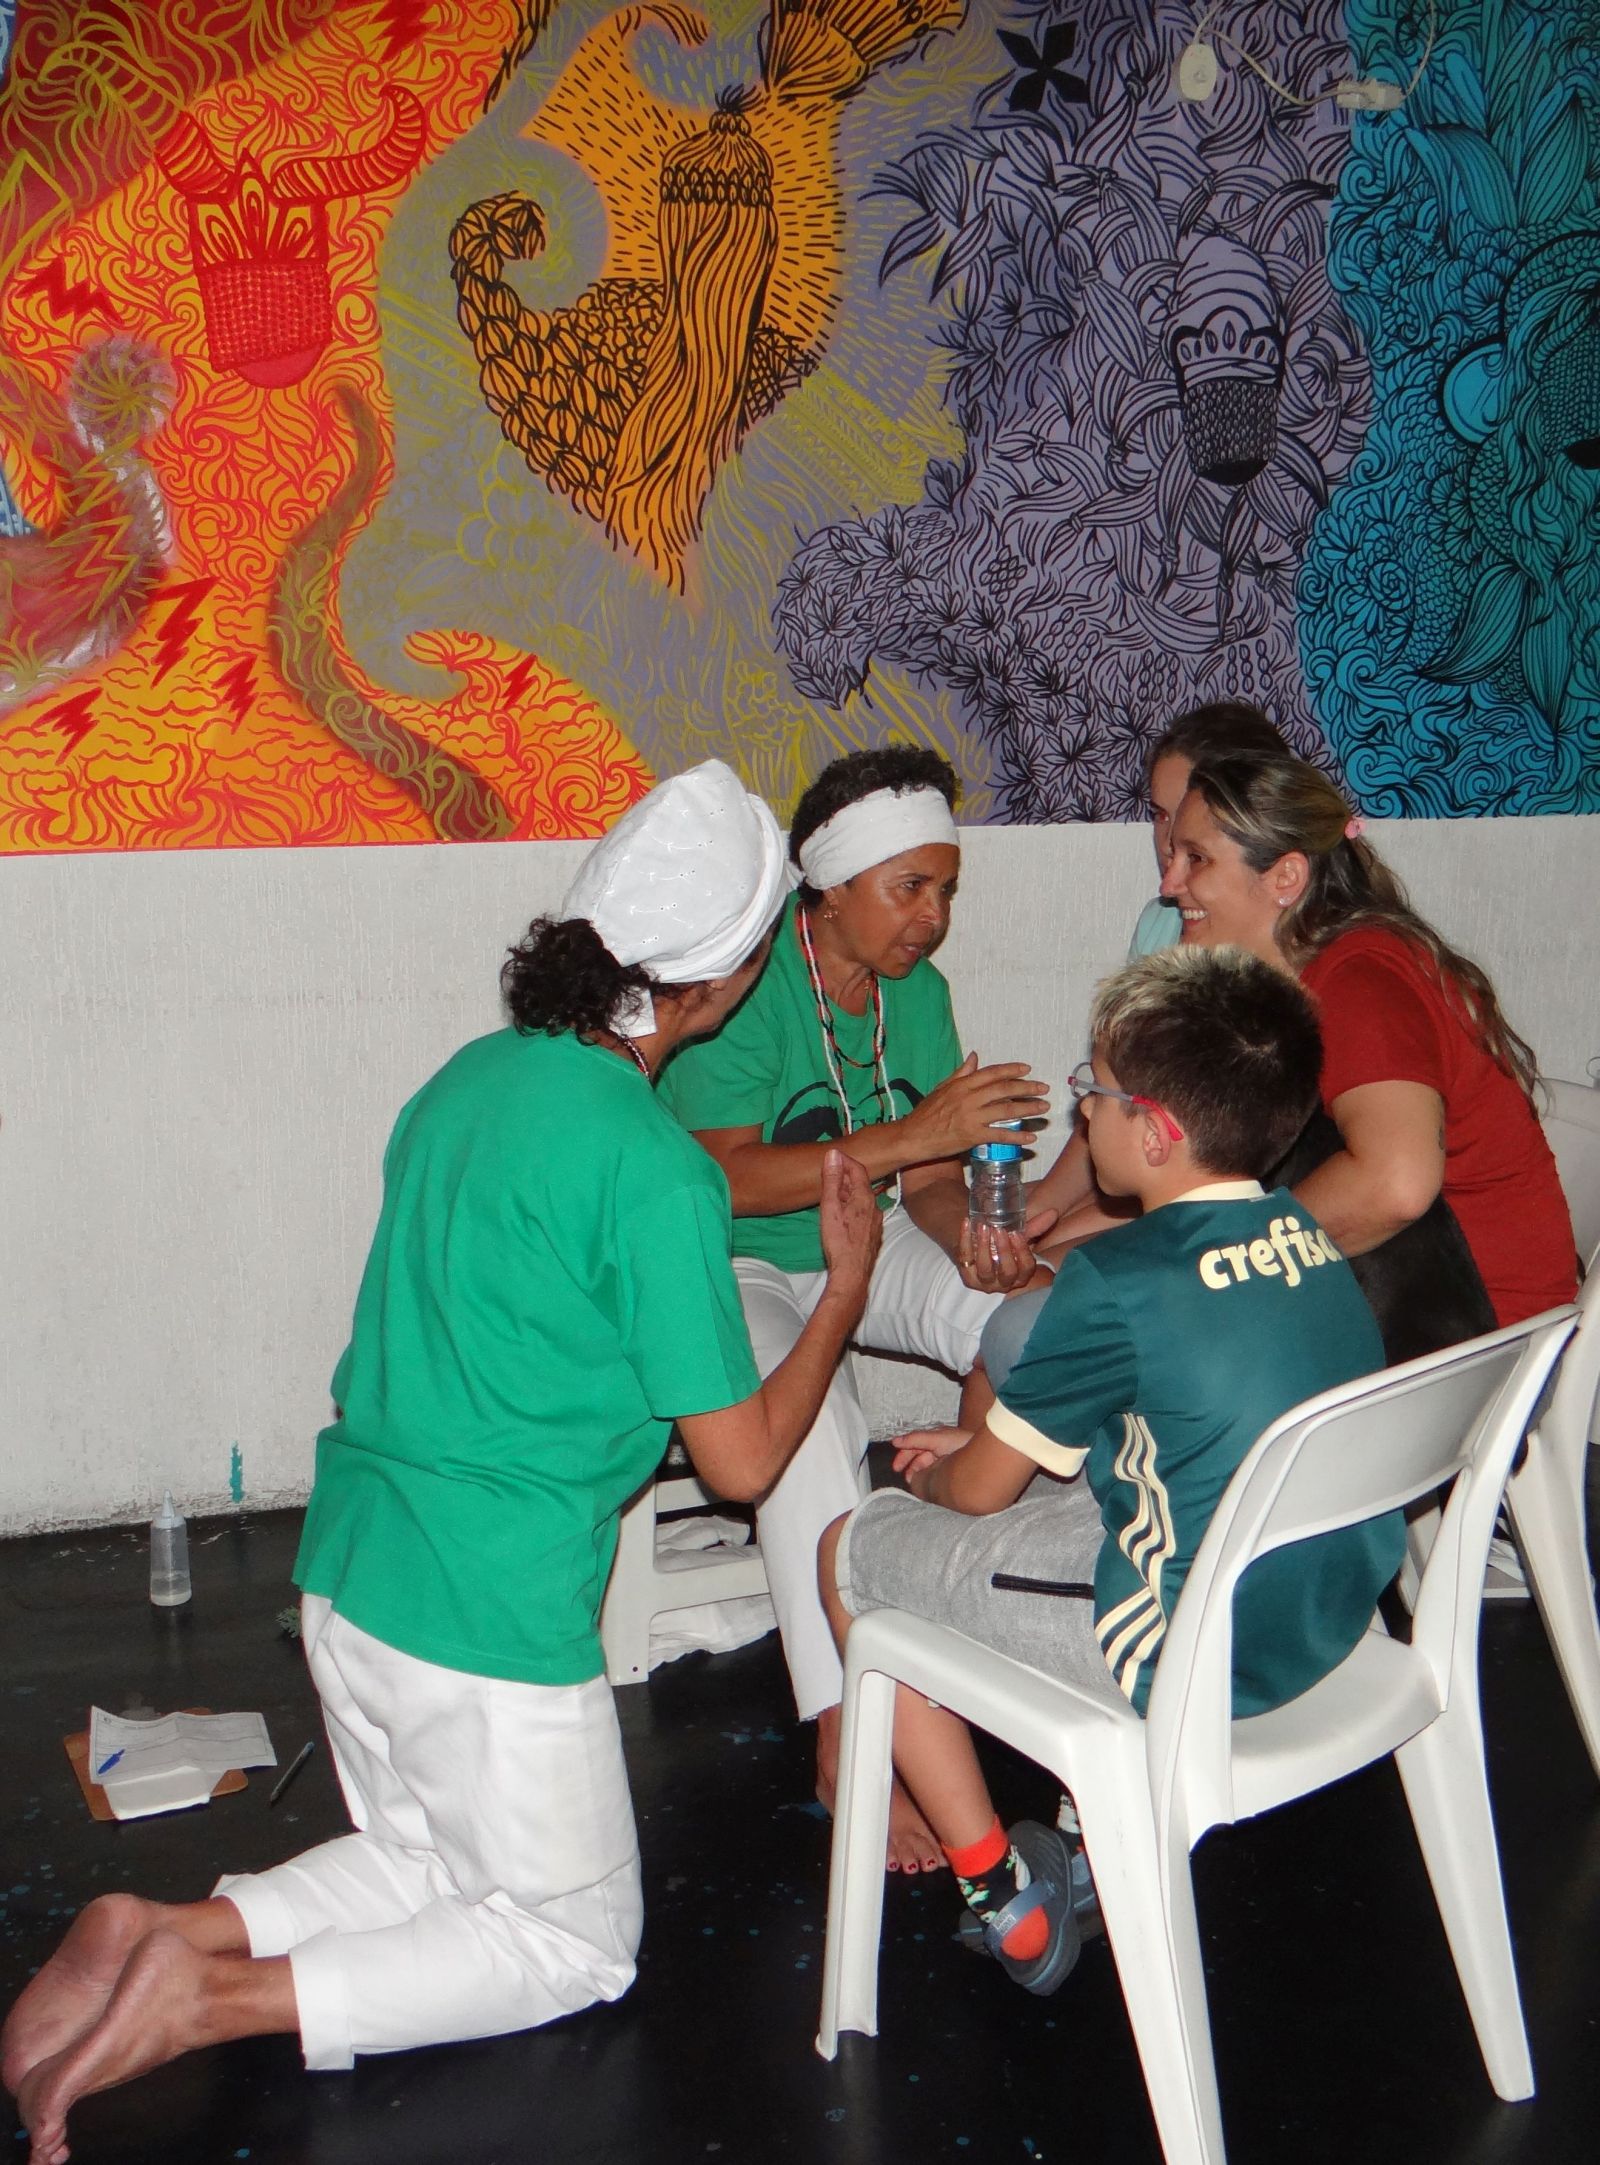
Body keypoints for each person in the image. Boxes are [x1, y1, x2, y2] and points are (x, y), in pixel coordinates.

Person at [3, 762, 883, 2165]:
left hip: (351, 1583)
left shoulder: (463, 1082)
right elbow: (744, 1463)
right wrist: (841, 1288)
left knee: (429, 1863)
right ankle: (216, 1999)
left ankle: (176, 1926)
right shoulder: (656, 1170)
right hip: (486, 1624)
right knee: (571, 1941)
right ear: (720, 980)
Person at [818, 944, 1400, 1993]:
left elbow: (980, 1493)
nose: (1083, 1112)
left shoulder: (1117, 1276)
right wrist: (989, 1443)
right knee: (1074, 1486)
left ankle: (1004, 1895)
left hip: (1191, 1649)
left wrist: (932, 1480)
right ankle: (1085, 1847)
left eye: (1096, 1091)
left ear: (1158, 1131)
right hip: (1324, 1610)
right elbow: (1193, 1417)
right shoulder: (1310, 1236)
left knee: (848, 1549)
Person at [657, 744, 1052, 1871]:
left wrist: (972, 1241)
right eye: (908, 887)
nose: (933, 918)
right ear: (828, 885)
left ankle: (961, 1610)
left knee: (1030, 1319)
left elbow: (924, 1179)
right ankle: (844, 1729)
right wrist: (912, 1135)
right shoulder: (745, 986)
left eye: (946, 889)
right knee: (807, 1421)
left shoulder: (916, 994)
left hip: (869, 1242)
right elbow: (726, 1177)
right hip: (741, 1259)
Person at [1163, 751, 1577, 1332]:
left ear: (1285, 878)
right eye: (1173, 857)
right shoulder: (1306, 974)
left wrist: (1228, 1266)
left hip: (1486, 1339)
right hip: (1425, 1310)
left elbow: (1395, 1184)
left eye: (1196, 858)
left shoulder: (1360, 982)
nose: (1169, 884)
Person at [1032, 701, 1293, 1255]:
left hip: (1239, 1206)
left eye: (1189, 816)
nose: (1170, 838)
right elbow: (1119, 1097)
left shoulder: (1297, 961)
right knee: (1035, 1257)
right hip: (1151, 1180)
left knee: (1054, 1277)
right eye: (1159, 815)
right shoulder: (1160, 925)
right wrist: (1042, 1210)